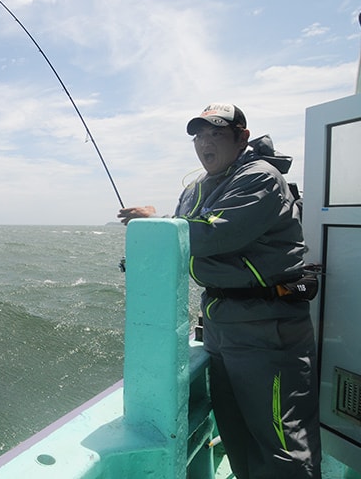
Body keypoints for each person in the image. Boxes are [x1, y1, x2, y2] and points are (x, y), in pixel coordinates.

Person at [118, 103, 321, 478]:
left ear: (242, 138)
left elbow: (214, 234)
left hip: (267, 327)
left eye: (215, 133)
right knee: (236, 433)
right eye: (198, 135)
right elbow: (183, 241)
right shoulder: (196, 188)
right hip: (220, 325)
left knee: (281, 443)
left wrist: (159, 224)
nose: (205, 143)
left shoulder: (260, 176)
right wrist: (147, 252)